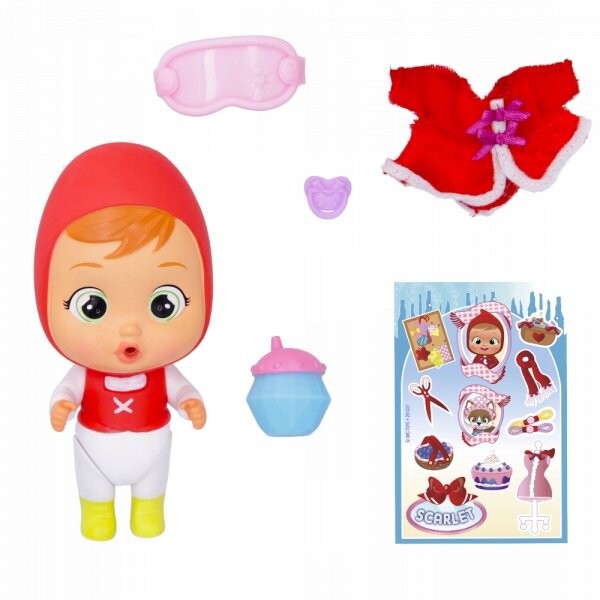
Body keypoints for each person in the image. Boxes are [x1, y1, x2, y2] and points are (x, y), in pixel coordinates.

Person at [34, 143, 212, 540]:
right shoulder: (84, 373)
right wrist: (62, 403)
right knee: (94, 496)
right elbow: (67, 390)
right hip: (94, 449)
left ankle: (149, 513)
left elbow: (181, 389)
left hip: (154, 447)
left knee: (152, 497)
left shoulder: (164, 372)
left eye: (164, 305)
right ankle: (97, 516)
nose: (129, 330)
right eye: (93, 306)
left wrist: (189, 401)